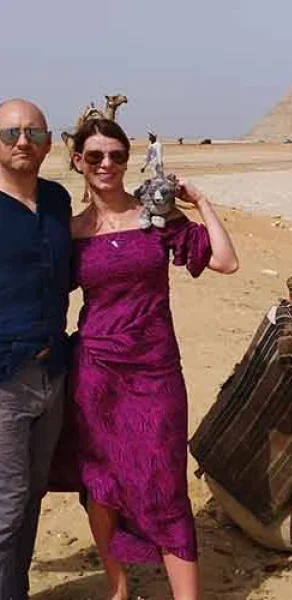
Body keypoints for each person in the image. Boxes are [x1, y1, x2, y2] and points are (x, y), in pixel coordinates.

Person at [56, 118, 238, 599]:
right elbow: (37, 292)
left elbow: (224, 260)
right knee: (101, 482)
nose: (107, 165)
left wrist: (199, 203)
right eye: (95, 156)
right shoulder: (70, 233)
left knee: (165, 484)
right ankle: (117, 588)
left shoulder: (156, 219)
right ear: (78, 162)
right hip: (96, 372)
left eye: (116, 155)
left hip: (155, 371)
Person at [0, 99, 72, 599]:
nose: (22, 141)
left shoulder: (57, 201)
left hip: (54, 372)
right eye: (10, 133)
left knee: (32, 498)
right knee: (6, 505)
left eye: (34, 133)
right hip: (4, 376)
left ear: (49, 142)